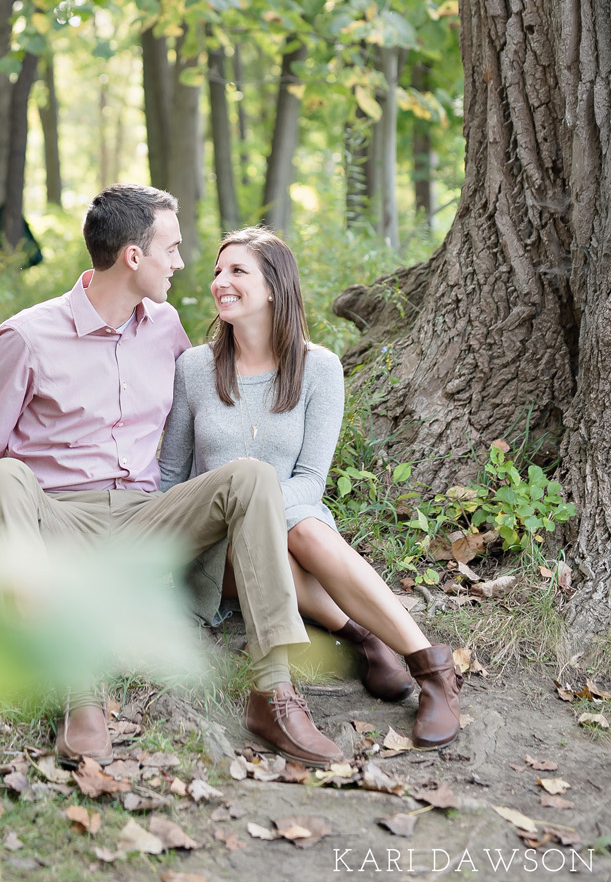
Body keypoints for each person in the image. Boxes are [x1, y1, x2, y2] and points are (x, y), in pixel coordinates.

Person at [0, 185, 345, 768]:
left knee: (251, 476)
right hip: (56, 520)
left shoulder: (166, 331)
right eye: (173, 249)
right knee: (3, 476)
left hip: (145, 518)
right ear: (134, 257)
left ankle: (273, 692)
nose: (183, 264)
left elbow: (219, 404)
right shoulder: (26, 336)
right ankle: (76, 687)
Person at [158, 227, 463, 750]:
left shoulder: (319, 368)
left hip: (296, 524)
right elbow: (171, 476)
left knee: (307, 533)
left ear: (274, 286)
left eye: (237, 271)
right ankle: (362, 633)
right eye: (216, 272)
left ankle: (430, 670)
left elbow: (311, 481)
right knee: (281, 529)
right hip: (217, 544)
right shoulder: (194, 368)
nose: (220, 282)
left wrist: (265, 514)